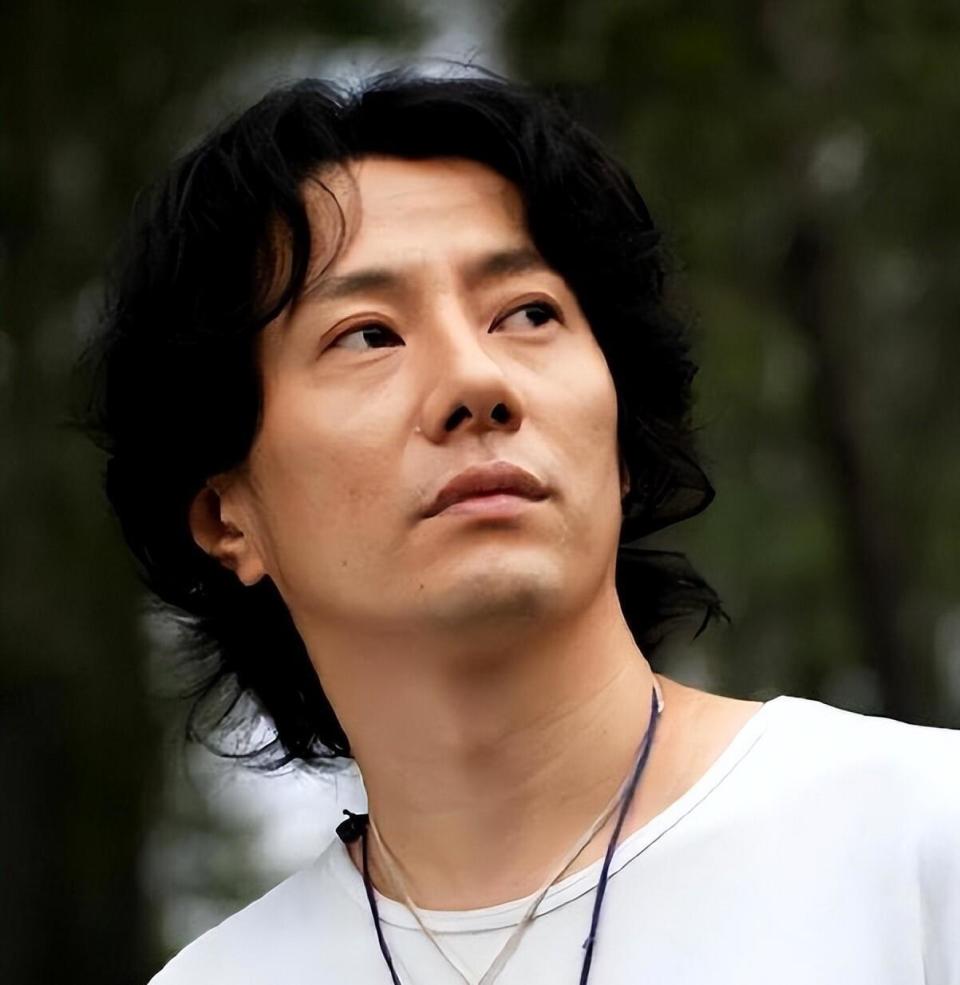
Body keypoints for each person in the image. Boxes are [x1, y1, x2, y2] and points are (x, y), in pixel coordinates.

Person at [82, 71, 959, 985]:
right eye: (369, 334)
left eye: (528, 313)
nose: (477, 380)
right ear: (226, 515)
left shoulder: (921, 840)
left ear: (621, 440)